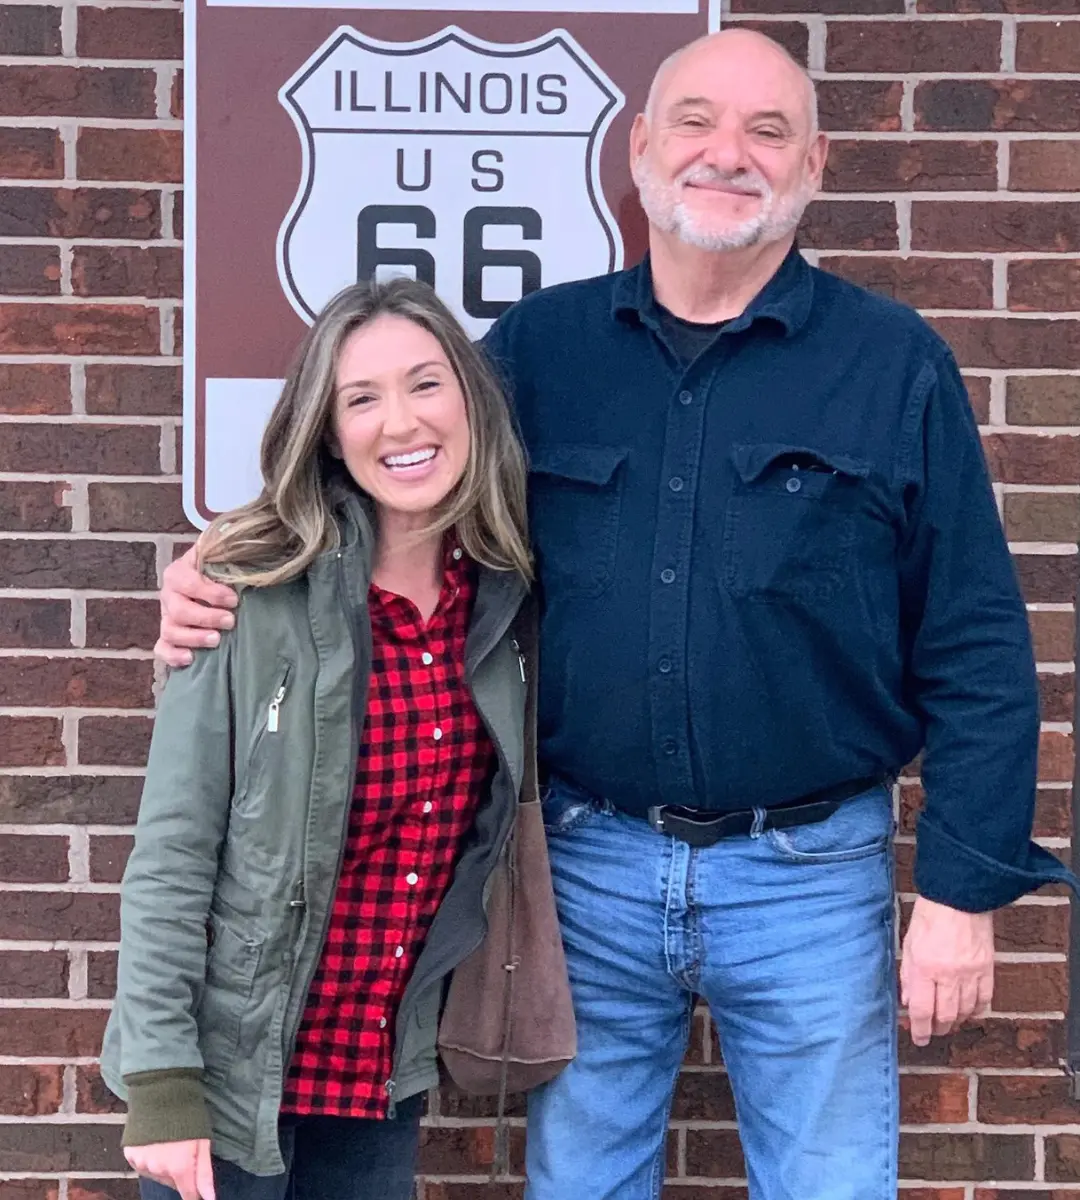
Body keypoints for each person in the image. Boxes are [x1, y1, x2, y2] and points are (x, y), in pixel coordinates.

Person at [154, 28, 1076, 1200]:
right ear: (640, 147)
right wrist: (225, 571)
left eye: (767, 130)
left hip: (809, 875)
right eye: (694, 122)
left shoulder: (893, 367)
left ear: (816, 164)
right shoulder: (543, 350)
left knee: (833, 1185)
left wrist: (958, 895)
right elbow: (390, 472)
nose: (726, 154)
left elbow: (978, 642)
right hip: (585, 865)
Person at [101, 277, 534, 1200]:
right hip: (230, 1074)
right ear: (327, 431)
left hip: (376, 1075)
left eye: (425, 384)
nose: (401, 422)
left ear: (469, 399)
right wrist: (162, 1084)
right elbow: (172, 853)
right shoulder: (244, 590)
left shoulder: (504, 604)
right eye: (361, 398)